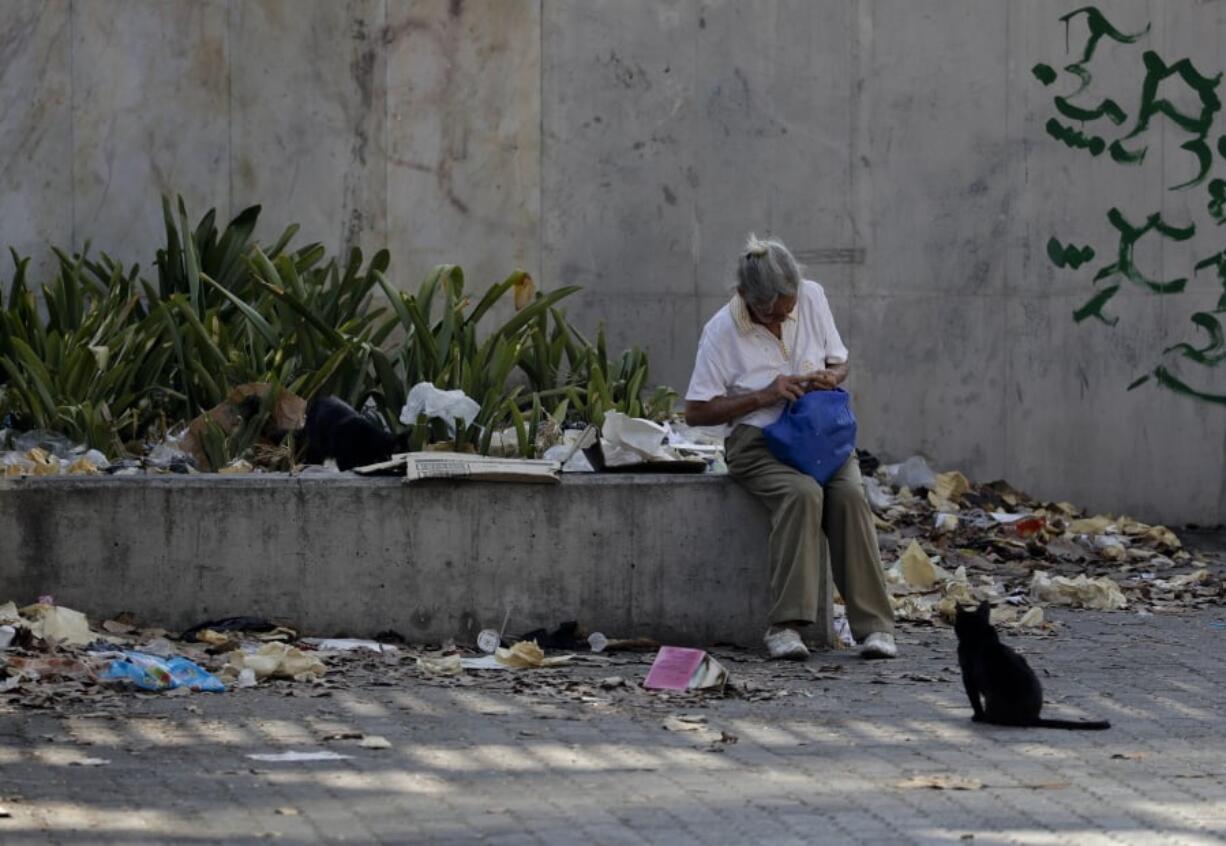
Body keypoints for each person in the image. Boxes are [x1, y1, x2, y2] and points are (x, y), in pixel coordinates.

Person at [684, 234, 896, 660]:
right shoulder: (721, 330)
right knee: (802, 494)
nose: (781, 321)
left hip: (817, 433)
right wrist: (765, 395)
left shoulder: (812, 297)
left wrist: (831, 378)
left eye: (787, 312)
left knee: (851, 495)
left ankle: (874, 627)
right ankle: (786, 627)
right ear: (745, 298)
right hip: (757, 441)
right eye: (770, 316)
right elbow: (696, 412)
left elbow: (839, 360)